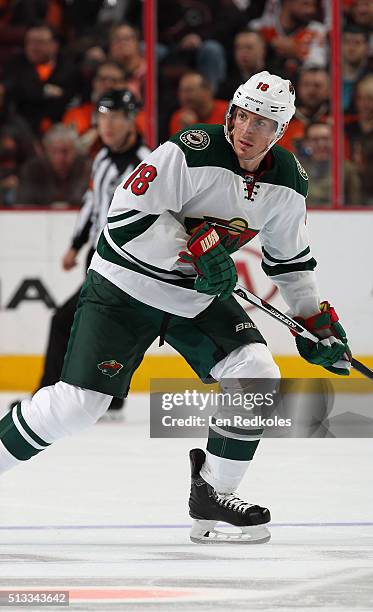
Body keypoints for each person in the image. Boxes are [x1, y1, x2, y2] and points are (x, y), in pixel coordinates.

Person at [0, 71, 351, 544]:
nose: (249, 131)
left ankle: (213, 496)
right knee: (79, 406)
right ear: (230, 114)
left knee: (256, 371)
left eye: (264, 123)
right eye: (243, 116)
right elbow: (124, 219)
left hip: (196, 298)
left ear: (281, 132)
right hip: (125, 287)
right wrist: (194, 248)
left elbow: (289, 262)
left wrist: (313, 323)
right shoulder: (189, 149)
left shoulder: (288, 181)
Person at [37, 88, 151, 416]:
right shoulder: (101, 158)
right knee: (98, 325)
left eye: (116, 117)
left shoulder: (147, 161)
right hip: (99, 258)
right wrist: (76, 244)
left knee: (67, 321)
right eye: (103, 118)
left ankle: (48, 394)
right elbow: (93, 202)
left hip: (127, 264)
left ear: (131, 120)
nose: (108, 125)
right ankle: (109, 396)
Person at [4, 23, 77, 135]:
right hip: (19, 125)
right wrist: (43, 90)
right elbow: (11, 90)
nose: (33, 47)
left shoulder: (68, 68)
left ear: (54, 45)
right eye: (29, 41)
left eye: (39, 42)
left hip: (57, 127)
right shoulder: (15, 64)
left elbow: (67, 98)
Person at [17, 123, 90, 207]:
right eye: (54, 151)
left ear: (75, 151)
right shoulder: (32, 170)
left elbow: (84, 198)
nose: (60, 158)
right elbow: (25, 202)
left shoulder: (85, 168)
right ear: (46, 151)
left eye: (65, 151)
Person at [300, 121, 361, 206]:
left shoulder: (346, 169)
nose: (321, 144)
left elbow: (355, 203)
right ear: (306, 143)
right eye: (315, 140)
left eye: (326, 139)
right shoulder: (296, 169)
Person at [169, 72, 228, 136]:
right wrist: (185, 130)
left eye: (189, 91)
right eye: (181, 91)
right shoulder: (178, 118)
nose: (184, 96)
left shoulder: (228, 112)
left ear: (207, 91)